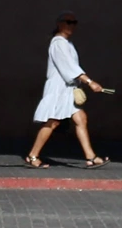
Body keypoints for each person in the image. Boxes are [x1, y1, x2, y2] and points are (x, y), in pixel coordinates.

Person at [25, 11, 108, 168]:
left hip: (68, 89)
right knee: (53, 122)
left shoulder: (67, 43)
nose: (71, 25)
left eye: (74, 22)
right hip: (58, 88)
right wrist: (90, 82)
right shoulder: (58, 43)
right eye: (67, 22)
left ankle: (91, 157)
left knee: (80, 118)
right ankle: (32, 155)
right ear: (59, 24)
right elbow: (70, 67)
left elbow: (72, 67)